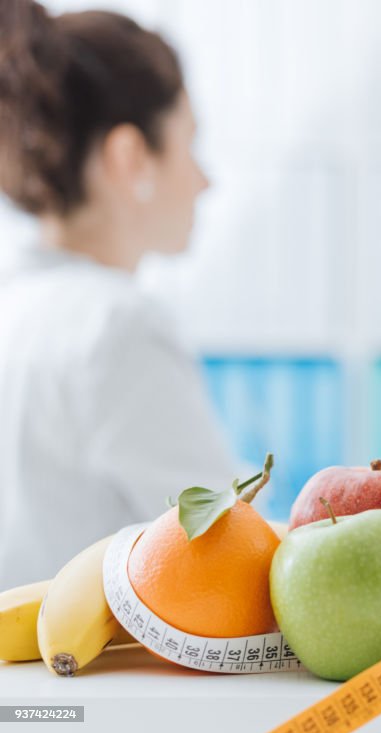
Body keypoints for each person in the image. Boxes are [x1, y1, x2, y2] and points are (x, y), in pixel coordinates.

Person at [0, 1, 237, 588]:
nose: (205, 181)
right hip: (90, 674)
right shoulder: (115, 326)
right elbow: (231, 552)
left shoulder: (16, 303)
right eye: (188, 144)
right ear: (131, 156)